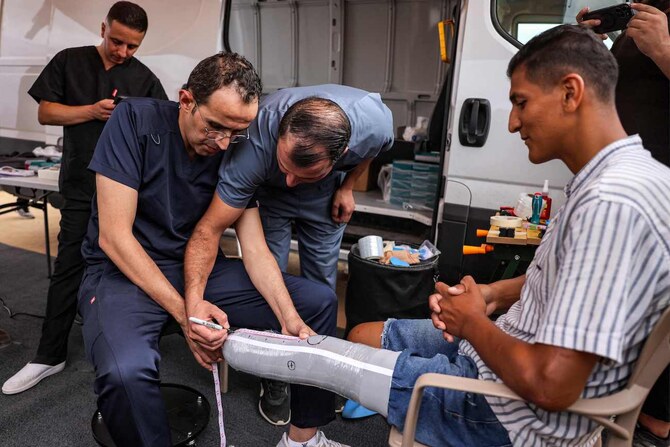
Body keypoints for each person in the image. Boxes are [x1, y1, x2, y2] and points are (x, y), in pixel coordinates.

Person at [218, 24, 670, 446]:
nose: (512, 123)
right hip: (505, 352)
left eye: (521, 102)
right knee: (360, 333)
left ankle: (273, 399)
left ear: (570, 92)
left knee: (319, 358)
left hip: (511, 412)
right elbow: (559, 285)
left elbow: (551, 384)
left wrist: (472, 321)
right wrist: (491, 296)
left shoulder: (612, 204)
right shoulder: (618, 178)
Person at [76, 52, 345, 447]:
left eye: (234, 134)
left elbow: (254, 248)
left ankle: (303, 439)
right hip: (124, 271)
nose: (221, 144)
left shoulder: (236, 148)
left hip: (199, 270)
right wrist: (188, 315)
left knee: (316, 302)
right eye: (214, 127)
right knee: (125, 373)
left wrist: (287, 317)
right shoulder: (134, 120)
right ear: (186, 100)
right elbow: (114, 238)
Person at [187, 84, 394, 424]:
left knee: (321, 291)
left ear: (341, 154)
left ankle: (320, 375)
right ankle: (276, 377)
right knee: (269, 284)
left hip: (325, 193)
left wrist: (345, 186)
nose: (291, 180)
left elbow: (374, 150)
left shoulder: (373, 123)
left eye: (301, 173)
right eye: (286, 166)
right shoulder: (255, 140)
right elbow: (214, 229)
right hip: (267, 193)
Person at [2, 1, 167, 395]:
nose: (123, 53)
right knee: (68, 269)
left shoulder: (144, 78)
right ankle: (48, 354)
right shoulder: (69, 61)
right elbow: (46, 112)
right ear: (103, 28)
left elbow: (161, 124)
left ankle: (130, 353)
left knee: (129, 269)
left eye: (132, 47)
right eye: (117, 41)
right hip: (79, 185)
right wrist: (91, 111)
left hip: (127, 193)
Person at [579, 3, 670, 444]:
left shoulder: (660, 30)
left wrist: (665, 51)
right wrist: (598, 47)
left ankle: (654, 422)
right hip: (622, 180)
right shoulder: (645, 15)